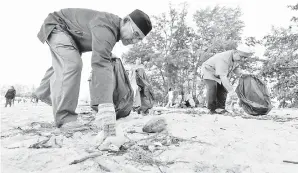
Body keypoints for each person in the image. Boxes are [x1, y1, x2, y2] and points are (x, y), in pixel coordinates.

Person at [34, 8, 152, 146]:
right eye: (135, 33)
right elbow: (101, 63)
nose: (135, 40)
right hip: (57, 26)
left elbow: (102, 54)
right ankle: (65, 119)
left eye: (139, 39)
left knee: (65, 62)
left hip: (69, 35)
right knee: (72, 64)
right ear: (125, 21)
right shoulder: (107, 27)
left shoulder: (112, 31)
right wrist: (106, 106)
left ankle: (43, 91)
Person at [201, 44, 253, 114]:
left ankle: (220, 108)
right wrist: (231, 91)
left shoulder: (236, 59)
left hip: (219, 73)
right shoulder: (223, 59)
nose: (243, 60)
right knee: (212, 87)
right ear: (235, 52)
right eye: (242, 57)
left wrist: (242, 74)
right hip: (209, 71)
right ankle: (211, 108)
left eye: (245, 58)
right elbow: (223, 77)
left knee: (223, 88)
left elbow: (236, 68)